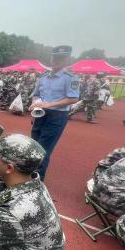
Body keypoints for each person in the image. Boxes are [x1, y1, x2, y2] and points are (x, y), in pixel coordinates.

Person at [30, 45, 81, 182]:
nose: (58, 60)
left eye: (62, 58)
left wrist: (49, 104)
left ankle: (37, 181)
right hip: (40, 113)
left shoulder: (71, 78)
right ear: (51, 58)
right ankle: (30, 173)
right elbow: (36, 94)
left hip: (57, 115)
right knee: (34, 144)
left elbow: (73, 98)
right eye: (56, 57)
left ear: (67, 59)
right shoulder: (43, 76)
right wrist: (35, 103)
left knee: (43, 148)